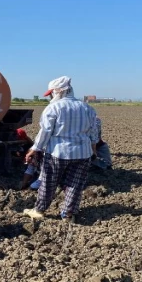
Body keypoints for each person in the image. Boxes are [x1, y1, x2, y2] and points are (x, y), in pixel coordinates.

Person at [23, 76, 98, 222]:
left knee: (48, 182)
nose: (50, 96)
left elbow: (45, 132)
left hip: (58, 153)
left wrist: (34, 149)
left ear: (59, 92)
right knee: (75, 184)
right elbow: (93, 132)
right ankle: (68, 214)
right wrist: (93, 149)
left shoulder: (53, 108)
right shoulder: (87, 108)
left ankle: (39, 210)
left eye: (51, 93)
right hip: (83, 153)